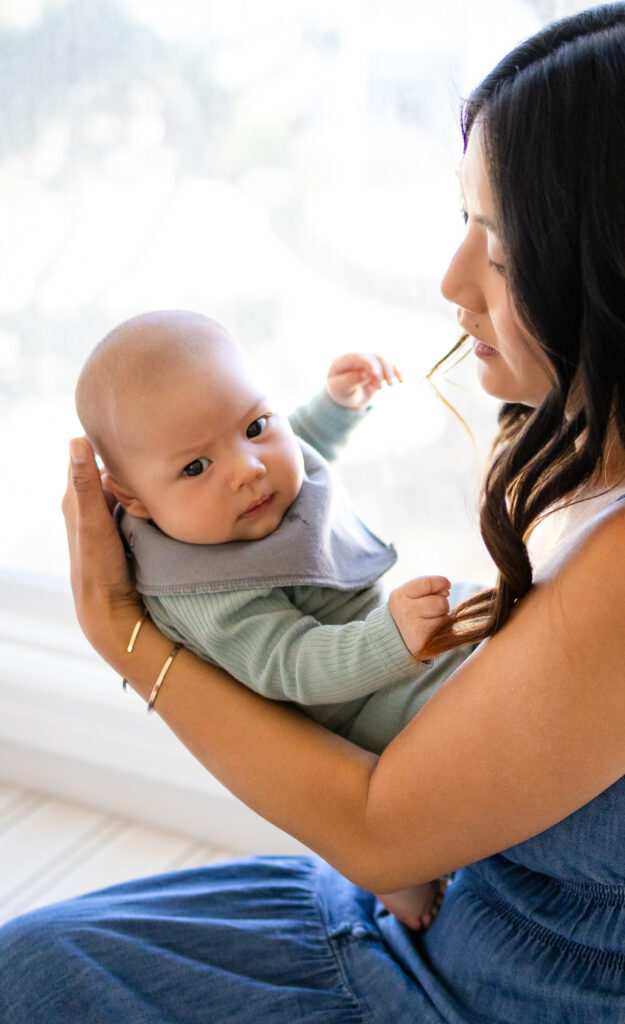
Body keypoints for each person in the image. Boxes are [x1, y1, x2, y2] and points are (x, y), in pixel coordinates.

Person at [2, 1, 625, 1020]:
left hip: (491, 981)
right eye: (464, 222)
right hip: (445, 902)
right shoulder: (598, 444)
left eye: (499, 249)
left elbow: (376, 824)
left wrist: (127, 641)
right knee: (35, 960)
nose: (450, 280)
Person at [75, 311, 478, 928]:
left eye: (256, 424)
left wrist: (338, 406)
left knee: (480, 614)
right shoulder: (200, 584)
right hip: (348, 715)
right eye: (194, 467)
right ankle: (397, 873)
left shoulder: (237, 491)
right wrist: (392, 638)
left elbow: (300, 457)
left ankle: (402, 874)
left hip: (370, 654)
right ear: (130, 500)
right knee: (473, 677)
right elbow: (294, 667)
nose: (247, 468)